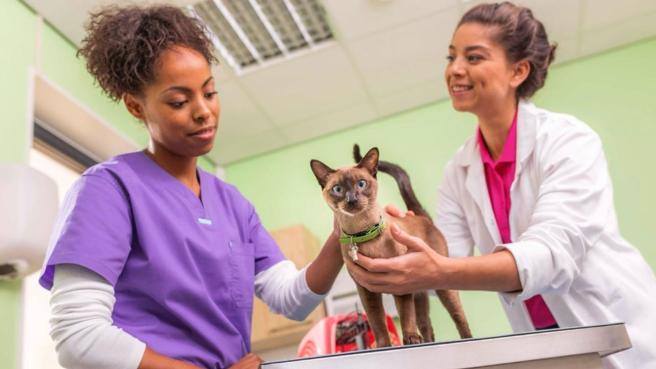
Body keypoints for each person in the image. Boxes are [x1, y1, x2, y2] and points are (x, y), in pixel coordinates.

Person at [345, 2, 656, 368]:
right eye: (451, 56)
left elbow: (552, 255)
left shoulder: (568, 141)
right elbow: (449, 259)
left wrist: (436, 268)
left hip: (619, 334)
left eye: (473, 57)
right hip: (545, 345)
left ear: (518, 71)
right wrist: (409, 239)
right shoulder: (458, 172)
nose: (455, 69)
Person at [38, 5, 342, 369]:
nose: (203, 111)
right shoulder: (109, 190)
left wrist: (344, 236)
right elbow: (79, 337)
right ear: (136, 107)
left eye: (210, 93)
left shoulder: (233, 205)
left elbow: (292, 300)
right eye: (180, 101)